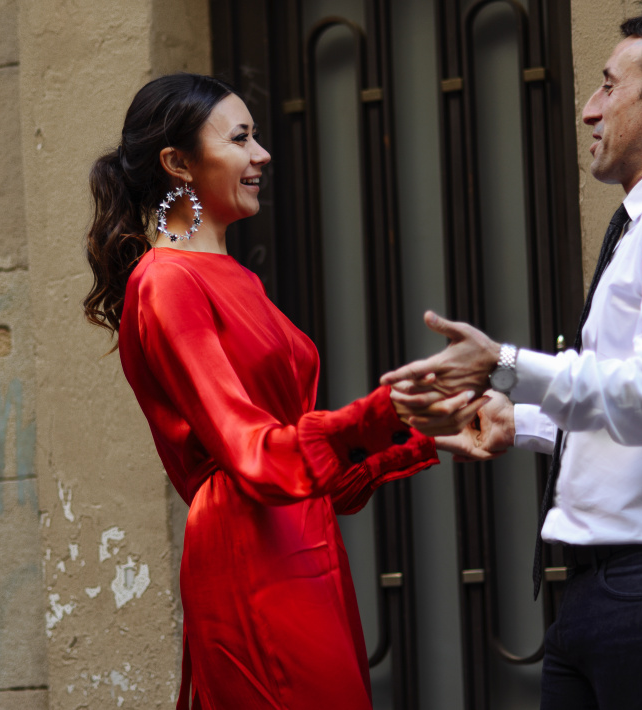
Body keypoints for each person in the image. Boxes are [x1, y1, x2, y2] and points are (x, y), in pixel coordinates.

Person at [384, 12, 642, 709]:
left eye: (608, 85)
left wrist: (504, 365)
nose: (590, 109)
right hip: (623, 590)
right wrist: (521, 420)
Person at [82, 73, 481, 710]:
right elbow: (254, 456)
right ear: (178, 163)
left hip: (302, 539)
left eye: (256, 137)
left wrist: (425, 431)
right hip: (250, 549)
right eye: (240, 139)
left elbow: (318, 477)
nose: (262, 154)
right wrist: (384, 411)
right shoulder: (167, 282)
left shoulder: (231, 276)